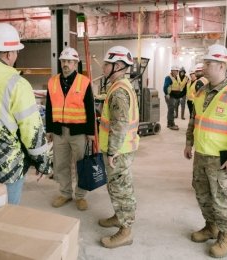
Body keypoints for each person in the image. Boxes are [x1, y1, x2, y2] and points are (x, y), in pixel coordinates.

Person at [184, 44, 227, 258]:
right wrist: (189, 143)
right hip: (202, 155)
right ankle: (210, 227)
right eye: (204, 62)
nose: (204, 66)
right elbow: (195, 120)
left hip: (222, 159)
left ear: (222, 66)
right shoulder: (201, 90)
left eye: (208, 62)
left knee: (222, 199)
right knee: (203, 195)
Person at [0, 23, 52, 204]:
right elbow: (32, 132)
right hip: (6, 166)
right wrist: (42, 162)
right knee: (6, 217)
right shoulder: (17, 84)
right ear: (8, 54)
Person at [98, 46, 139, 248]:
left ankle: (125, 231)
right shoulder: (120, 86)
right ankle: (118, 216)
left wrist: (112, 151)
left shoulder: (119, 92)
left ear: (119, 66)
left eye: (107, 64)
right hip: (120, 149)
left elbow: (120, 125)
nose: (103, 67)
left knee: (122, 190)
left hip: (119, 151)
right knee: (116, 187)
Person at [45, 47, 95, 211]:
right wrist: (50, 129)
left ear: (75, 63)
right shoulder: (52, 82)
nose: (65, 64)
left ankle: (80, 196)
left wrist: (90, 132)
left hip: (78, 132)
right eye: (63, 61)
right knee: (61, 165)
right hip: (59, 131)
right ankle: (65, 193)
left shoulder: (84, 82)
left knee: (80, 164)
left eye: (69, 61)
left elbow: (90, 108)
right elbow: (49, 106)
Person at [163, 65, 180, 130]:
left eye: (177, 71)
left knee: (172, 110)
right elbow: (165, 86)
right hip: (170, 96)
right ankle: (170, 124)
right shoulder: (168, 77)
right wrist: (166, 94)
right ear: (172, 71)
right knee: (171, 110)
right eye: (176, 71)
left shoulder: (176, 77)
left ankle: (171, 123)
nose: (177, 72)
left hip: (174, 96)